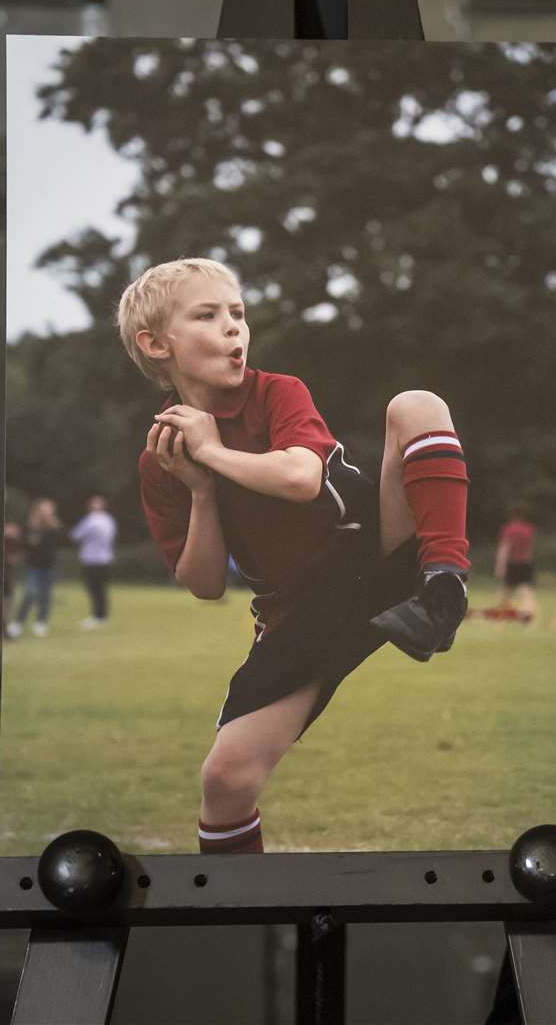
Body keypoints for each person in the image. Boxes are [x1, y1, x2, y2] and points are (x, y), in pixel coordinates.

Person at [117, 258, 470, 855]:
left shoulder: (277, 391)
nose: (234, 328)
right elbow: (204, 584)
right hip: (300, 611)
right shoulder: (162, 460)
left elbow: (302, 478)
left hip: (372, 550)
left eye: (238, 313)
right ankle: (247, 929)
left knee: (417, 406)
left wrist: (215, 452)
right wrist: (201, 488)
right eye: (208, 315)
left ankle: (443, 588)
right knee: (225, 782)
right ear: (156, 344)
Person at [8, 498, 61, 639]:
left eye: (49, 509)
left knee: (45, 596)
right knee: (29, 594)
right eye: (44, 509)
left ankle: (41, 623)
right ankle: (18, 623)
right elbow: (25, 543)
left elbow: (51, 544)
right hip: (33, 567)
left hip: (49, 567)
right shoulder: (30, 527)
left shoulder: (53, 527)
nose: (46, 512)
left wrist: (44, 532)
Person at [70, 494, 117, 629]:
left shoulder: (90, 520)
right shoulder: (109, 520)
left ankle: (97, 616)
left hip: (91, 559)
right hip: (105, 559)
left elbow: (75, 535)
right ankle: (103, 615)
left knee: (94, 588)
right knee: (101, 589)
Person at [493, 505, 537, 623]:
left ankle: (503, 613)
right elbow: (530, 548)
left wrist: (500, 566)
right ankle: (527, 612)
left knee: (506, 590)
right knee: (526, 590)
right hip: (526, 563)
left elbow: (504, 548)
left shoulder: (509, 529)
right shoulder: (529, 529)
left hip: (512, 563)